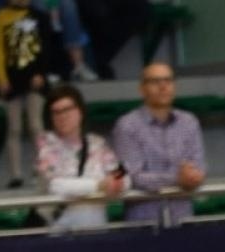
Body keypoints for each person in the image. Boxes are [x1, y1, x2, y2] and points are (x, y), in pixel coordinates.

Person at [111, 62, 204, 225]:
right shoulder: (127, 125)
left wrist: (194, 176)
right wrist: (177, 179)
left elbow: (199, 166)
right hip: (143, 222)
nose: (163, 86)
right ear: (142, 89)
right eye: (155, 81)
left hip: (183, 217)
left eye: (168, 80)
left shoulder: (189, 122)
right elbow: (131, 175)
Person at [34, 83, 124, 230]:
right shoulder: (45, 143)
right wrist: (99, 185)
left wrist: (117, 181)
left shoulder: (97, 143)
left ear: (80, 111)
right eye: (56, 112)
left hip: (96, 229)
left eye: (67, 109)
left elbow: (121, 173)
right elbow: (56, 185)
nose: (62, 116)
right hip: (58, 231)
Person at [0, 0, 55, 188]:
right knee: (14, 127)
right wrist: (1, 78)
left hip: (35, 77)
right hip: (12, 79)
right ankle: (15, 174)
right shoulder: (2, 15)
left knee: (36, 124)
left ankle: (43, 168)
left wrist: (41, 72)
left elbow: (47, 45)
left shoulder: (39, 16)